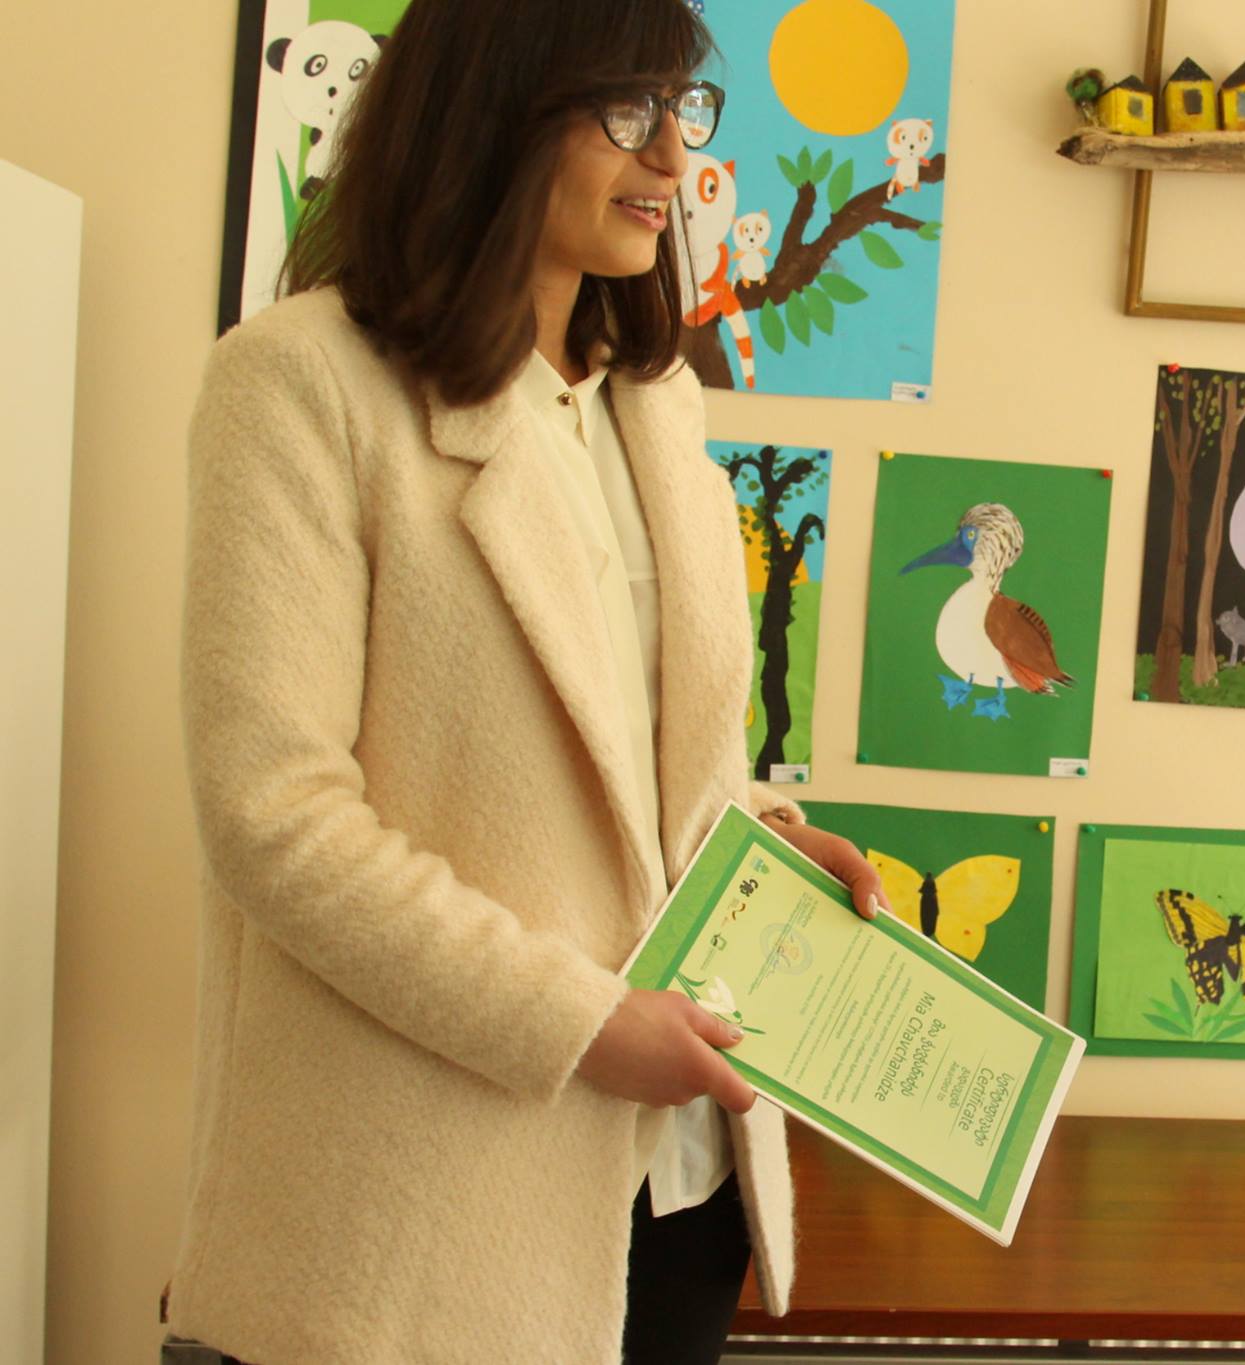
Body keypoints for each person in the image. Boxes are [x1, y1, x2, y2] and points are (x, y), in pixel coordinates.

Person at [168, 2, 887, 1360]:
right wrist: (583, 1024)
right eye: (626, 110)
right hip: (427, 1210)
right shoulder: (300, 384)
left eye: (683, 109)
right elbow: (275, 819)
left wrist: (765, 838)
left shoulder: (655, 399)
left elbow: (652, 754)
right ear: (491, 109)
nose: (672, 157)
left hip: (679, 1188)